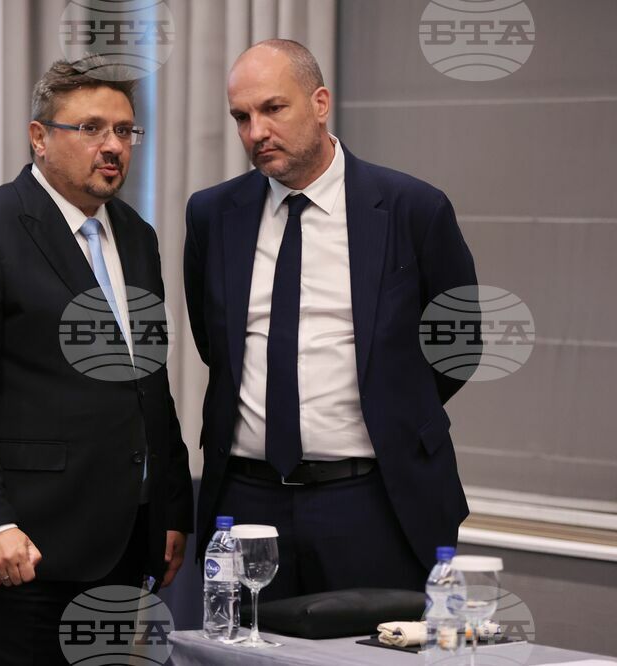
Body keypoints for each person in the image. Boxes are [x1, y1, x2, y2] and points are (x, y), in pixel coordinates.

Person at [0, 57, 193, 665]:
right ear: (39, 137)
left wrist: (169, 509)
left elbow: (148, 382)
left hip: (118, 550)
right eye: (91, 128)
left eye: (124, 130)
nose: (112, 145)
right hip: (16, 553)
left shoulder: (136, 237)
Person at [184, 39, 476, 601]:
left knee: (376, 644)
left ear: (320, 103)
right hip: (246, 499)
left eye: (273, 108)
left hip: (373, 499)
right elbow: (213, 341)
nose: (257, 132)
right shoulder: (213, 214)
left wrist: (391, 408)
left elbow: (457, 347)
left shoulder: (412, 208)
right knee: (242, 645)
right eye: (242, 117)